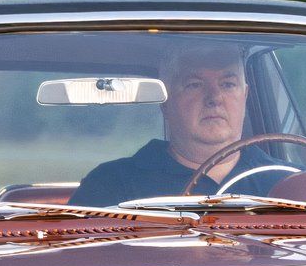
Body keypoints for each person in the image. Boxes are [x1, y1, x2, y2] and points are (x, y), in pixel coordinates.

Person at [67, 43, 290, 207]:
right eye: (194, 84)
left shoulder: (290, 183)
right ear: (166, 102)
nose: (214, 97)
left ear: (245, 95)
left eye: (228, 84)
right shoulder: (113, 186)